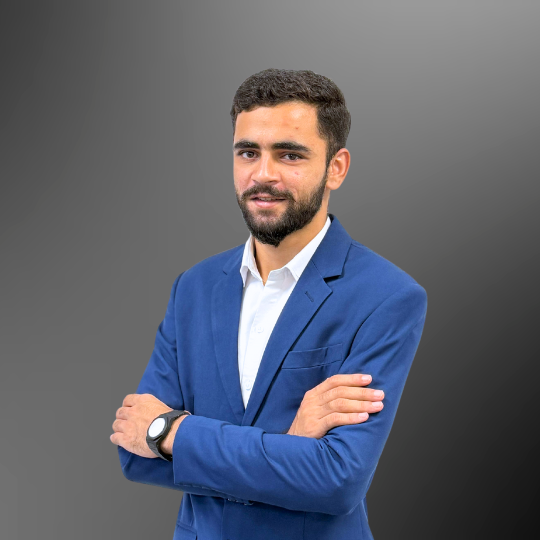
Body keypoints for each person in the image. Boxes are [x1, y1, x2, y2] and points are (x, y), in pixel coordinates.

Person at [111, 68, 428, 540]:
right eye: (248, 153)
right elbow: (134, 452)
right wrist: (288, 445)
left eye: (290, 154)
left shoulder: (387, 296)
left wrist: (173, 434)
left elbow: (337, 480)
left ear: (336, 167)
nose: (263, 174)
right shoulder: (194, 287)